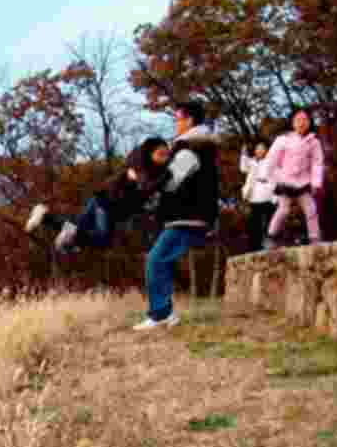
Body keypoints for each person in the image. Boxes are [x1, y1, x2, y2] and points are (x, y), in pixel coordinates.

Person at [133, 100, 219, 331]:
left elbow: (171, 183)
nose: (176, 123)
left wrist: (147, 182)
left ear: (190, 120)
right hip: (189, 216)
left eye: (178, 118)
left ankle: (161, 314)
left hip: (189, 217)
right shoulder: (194, 146)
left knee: (155, 260)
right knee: (159, 260)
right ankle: (166, 313)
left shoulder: (190, 148)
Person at [24, 146, 165, 252]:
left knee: (79, 229)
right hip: (106, 204)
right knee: (102, 240)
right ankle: (66, 233)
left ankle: (46, 217)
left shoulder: (143, 179)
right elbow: (134, 176)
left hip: (100, 198)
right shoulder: (139, 173)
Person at [260, 107, 325, 249]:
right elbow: (271, 159)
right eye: (298, 120)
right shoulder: (283, 140)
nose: (302, 123)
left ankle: (315, 238)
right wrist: (266, 176)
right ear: (292, 122)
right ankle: (271, 236)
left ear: (309, 122)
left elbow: (317, 163)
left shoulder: (314, 142)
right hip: (285, 181)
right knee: (283, 210)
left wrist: (316, 183)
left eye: (305, 120)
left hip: (303, 182)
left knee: (311, 209)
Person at [239, 139, 277, 252]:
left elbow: (276, 177)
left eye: (262, 148)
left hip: (268, 194)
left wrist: (276, 195)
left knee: (269, 221)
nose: (260, 150)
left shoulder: (271, 161)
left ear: (267, 150)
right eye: (258, 148)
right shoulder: (252, 162)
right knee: (254, 222)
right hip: (254, 196)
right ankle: (254, 246)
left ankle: (270, 243)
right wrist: (243, 154)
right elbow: (243, 168)